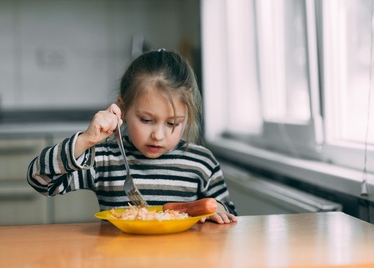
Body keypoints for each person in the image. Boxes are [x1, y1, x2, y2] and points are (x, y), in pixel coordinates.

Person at [27, 49, 237, 224]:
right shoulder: (105, 159)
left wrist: (217, 210)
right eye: (146, 120)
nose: (158, 135)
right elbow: (40, 181)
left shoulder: (202, 162)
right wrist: (84, 141)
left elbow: (229, 217)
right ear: (122, 109)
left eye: (173, 123)